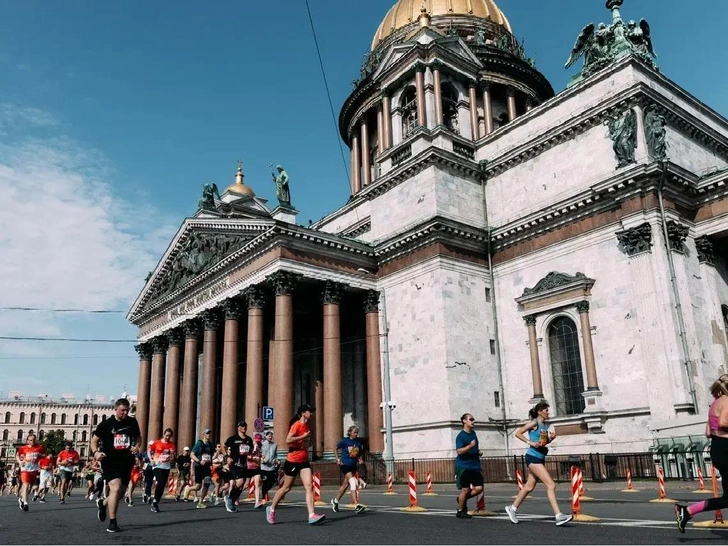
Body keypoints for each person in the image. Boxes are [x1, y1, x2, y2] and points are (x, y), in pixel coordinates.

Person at [505, 402, 573, 526]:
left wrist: (550, 439)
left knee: (529, 487)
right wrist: (530, 442)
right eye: (546, 410)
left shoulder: (544, 426)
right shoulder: (534, 423)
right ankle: (558, 515)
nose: (548, 412)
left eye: (548, 410)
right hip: (532, 457)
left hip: (539, 457)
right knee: (551, 485)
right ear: (539, 412)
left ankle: (512, 508)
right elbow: (518, 433)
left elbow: (541, 443)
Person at [675, 375, 728, 532]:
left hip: (718, 448)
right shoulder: (727, 401)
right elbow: (723, 422)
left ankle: (687, 511)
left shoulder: (714, 404)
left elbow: (708, 431)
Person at [265, 405, 325, 525]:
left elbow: (304, 443)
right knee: (286, 488)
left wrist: (306, 443)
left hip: (304, 460)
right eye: (310, 411)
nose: (312, 414)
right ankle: (271, 509)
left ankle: (311, 515)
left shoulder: (307, 426)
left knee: (309, 486)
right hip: (293, 460)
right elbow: (288, 440)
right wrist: (302, 437)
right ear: (303, 413)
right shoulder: (296, 424)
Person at [90, 397, 142, 533]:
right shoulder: (106, 424)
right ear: (116, 409)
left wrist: (137, 446)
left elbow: (138, 437)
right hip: (110, 461)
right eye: (122, 410)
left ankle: (103, 503)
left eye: (127, 410)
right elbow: (94, 440)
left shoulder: (132, 422)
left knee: (119, 494)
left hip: (126, 461)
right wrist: (96, 453)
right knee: (116, 488)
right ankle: (112, 522)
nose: (125, 413)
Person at [454, 413, 484, 519]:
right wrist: (470, 446)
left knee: (479, 488)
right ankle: (460, 510)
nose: (473, 421)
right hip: (464, 466)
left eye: (473, 419)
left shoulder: (473, 433)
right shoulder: (461, 436)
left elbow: (475, 448)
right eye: (471, 419)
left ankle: (461, 499)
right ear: (464, 421)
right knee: (465, 489)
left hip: (475, 466)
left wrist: (478, 451)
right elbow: (459, 451)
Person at [331, 425, 366, 513]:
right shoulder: (345, 441)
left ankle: (335, 501)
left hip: (353, 465)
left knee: (345, 485)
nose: (356, 434)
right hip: (345, 464)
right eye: (354, 432)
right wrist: (337, 459)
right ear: (350, 432)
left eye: (357, 432)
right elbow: (335, 448)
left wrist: (360, 458)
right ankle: (356, 505)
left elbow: (360, 451)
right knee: (353, 483)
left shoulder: (358, 441)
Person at [224, 421, 254, 512]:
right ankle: (230, 500)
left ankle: (231, 500)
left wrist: (251, 455)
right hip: (235, 464)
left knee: (244, 485)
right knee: (240, 481)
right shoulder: (233, 438)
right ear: (238, 427)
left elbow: (251, 450)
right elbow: (224, 446)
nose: (244, 427)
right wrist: (228, 456)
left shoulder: (249, 439)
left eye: (245, 426)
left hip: (245, 465)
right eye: (241, 426)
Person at [16, 432, 46, 511]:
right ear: (27, 441)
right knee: (25, 485)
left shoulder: (40, 447)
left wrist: (40, 456)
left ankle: (22, 499)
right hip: (25, 469)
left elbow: (44, 455)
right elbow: (17, 455)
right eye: (30, 440)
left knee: (30, 487)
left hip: (34, 469)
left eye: (33, 440)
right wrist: (20, 462)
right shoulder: (23, 448)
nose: (31, 442)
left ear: (35, 440)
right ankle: (26, 503)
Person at [148, 428, 176, 513]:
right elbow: (149, 451)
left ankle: (155, 501)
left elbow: (173, 457)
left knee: (162, 484)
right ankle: (155, 501)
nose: (167, 437)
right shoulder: (157, 442)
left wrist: (171, 456)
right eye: (166, 435)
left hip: (166, 466)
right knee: (160, 482)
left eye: (169, 436)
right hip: (157, 465)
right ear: (163, 434)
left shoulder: (172, 445)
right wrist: (151, 460)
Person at [189, 428, 215, 508]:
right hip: (199, 466)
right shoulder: (199, 443)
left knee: (207, 483)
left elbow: (211, 455)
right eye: (207, 433)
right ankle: (188, 489)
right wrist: (199, 460)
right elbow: (192, 454)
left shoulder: (210, 444)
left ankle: (200, 502)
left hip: (206, 466)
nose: (208, 435)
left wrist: (213, 459)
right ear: (203, 434)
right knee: (198, 486)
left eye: (209, 433)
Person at [260, 430, 279, 504]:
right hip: (264, 467)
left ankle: (265, 491)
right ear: (265, 436)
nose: (270, 437)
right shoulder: (262, 444)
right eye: (268, 436)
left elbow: (276, 454)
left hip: (272, 467)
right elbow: (259, 453)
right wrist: (262, 459)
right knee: (265, 482)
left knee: (272, 482)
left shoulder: (274, 445)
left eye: (271, 436)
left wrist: (276, 460)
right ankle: (263, 498)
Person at [248, 433, 265, 508]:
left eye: (259, 441)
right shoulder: (250, 446)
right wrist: (254, 448)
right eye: (256, 441)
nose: (258, 442)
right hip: (249, 466)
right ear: (254, 440)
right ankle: (235, 497)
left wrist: (262, 458)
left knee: (257, 484)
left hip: (257, 467)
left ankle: (257, 502)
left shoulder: (261, 447)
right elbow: (247, 456)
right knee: (244, 484)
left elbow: (261, 456)